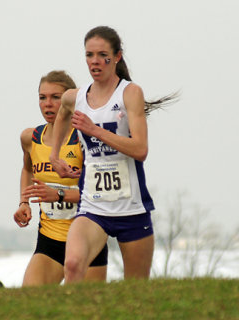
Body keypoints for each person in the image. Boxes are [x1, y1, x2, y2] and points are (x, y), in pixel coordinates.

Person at [50, 26, 177, 283]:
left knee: (135, 291)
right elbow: (63, 110)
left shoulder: (130, 93)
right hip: (93, 207)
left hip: (131, 209)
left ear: (116, 57)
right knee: (73, 264)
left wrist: (94, 130)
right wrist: (56, 154)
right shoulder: (76, 97)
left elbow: (140, 149)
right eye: (89, 55)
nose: (95, 61)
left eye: (102, 54)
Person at [13, 70, 108, 286]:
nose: (48, 104)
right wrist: (23, 202)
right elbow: (27, 169)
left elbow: (99, 194)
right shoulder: (30, 138)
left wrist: (58, 195)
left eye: (56, 97)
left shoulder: (85, 139)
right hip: (50, 239)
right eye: (42, 97)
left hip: (88, 239)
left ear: (69, 100)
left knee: (84, 310)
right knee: (31, 301)